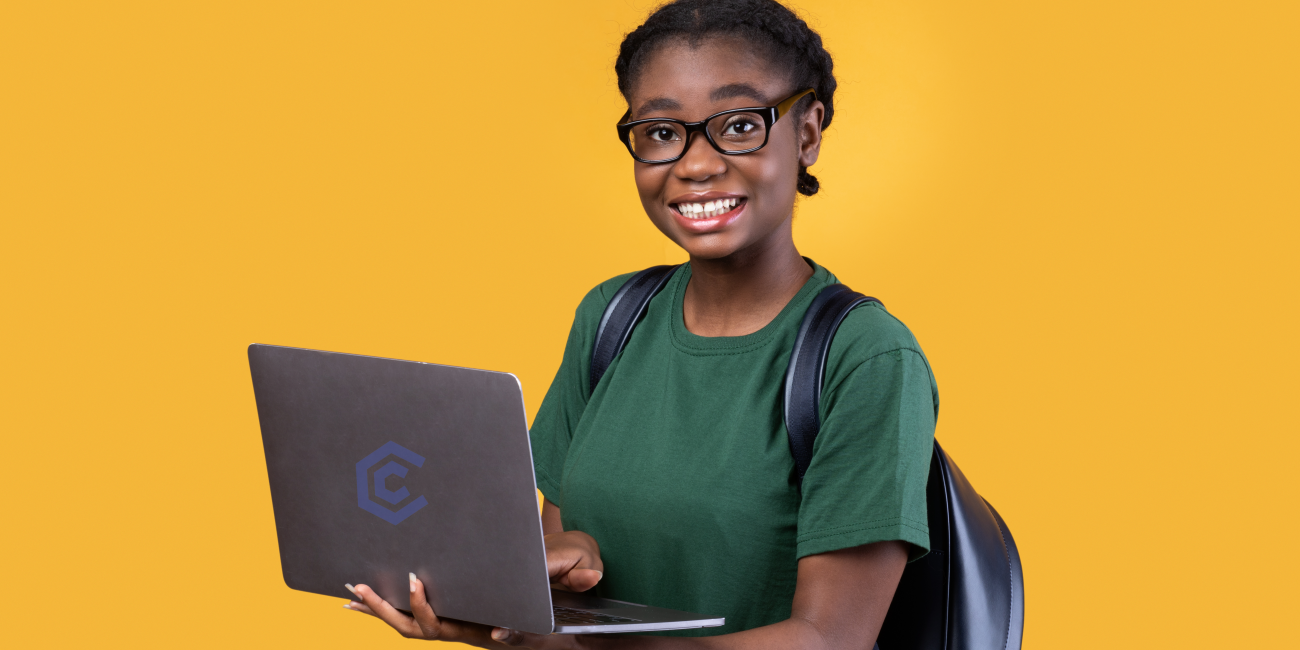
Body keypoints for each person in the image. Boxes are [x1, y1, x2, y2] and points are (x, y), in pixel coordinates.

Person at [344, 1, 938, 647]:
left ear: (808, 131)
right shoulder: (612, 318)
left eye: (739, 125)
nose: (695, 164)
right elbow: (560, 586)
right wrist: (523, 591)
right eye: (660, 132)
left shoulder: (864, 356)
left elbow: (831, 638)